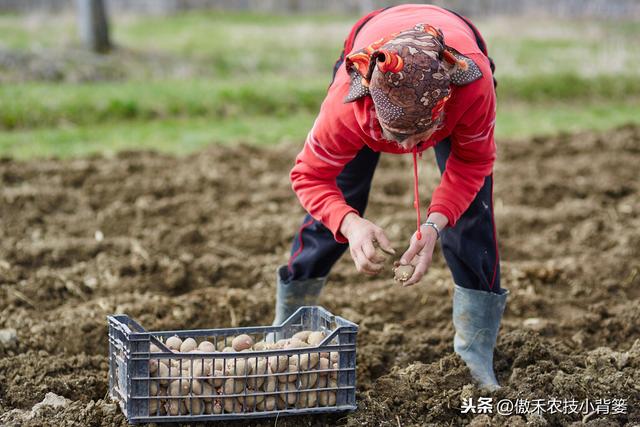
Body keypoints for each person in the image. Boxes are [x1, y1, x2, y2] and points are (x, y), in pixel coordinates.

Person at [273, 4, 508, 389]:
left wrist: (435, 224)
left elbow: (472, 164)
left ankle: (475, 354)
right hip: (371, 51)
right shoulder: (347, 106)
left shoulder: (471, 87)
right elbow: (310, 176)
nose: (408, 147)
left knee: (471, 216)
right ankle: (288, 329)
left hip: (458, 53)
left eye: (419, 135)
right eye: (396, 136)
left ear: (442, 112)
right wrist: (350, 224)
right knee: (336, 203)